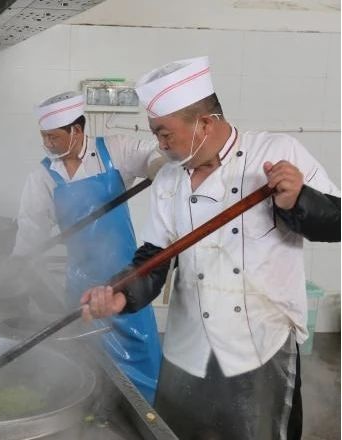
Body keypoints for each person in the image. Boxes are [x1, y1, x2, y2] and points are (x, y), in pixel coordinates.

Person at [80, 56, 341, 439]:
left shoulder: (275, 151)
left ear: (205, 123)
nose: (160, 144)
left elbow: (337, 222)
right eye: (155, 134)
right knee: (178, 433)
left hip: (260, 346)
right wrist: (123, 295)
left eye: (165, 133)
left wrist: (298, 199)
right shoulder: (169, 180)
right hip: (188, 348)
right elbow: (154, 258)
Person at [13, 91, 164, 403]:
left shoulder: (114, 150)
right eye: (44, 137)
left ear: (76, 131)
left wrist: (160, 166)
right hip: (82, 284)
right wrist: (18, 266)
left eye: (54, 137)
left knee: (143, 359)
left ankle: (145, 415)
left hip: (127, 279)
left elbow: (153, 155)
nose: (48, 144)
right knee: (88, 366)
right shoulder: (42, 177)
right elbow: (31, 229)